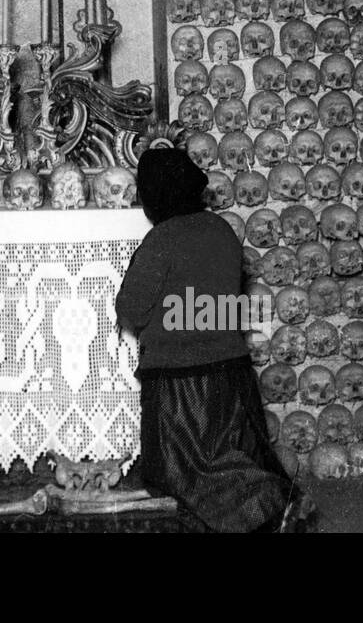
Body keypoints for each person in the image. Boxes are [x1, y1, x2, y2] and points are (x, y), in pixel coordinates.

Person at [115, 146, 314, 533]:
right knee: (227, 456)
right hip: (231, 373)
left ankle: (269, 507)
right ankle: (272, 505)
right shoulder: (222, 229)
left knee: (180, 469)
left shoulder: (162, 238)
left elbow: (131, 309)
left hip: (180, 381)